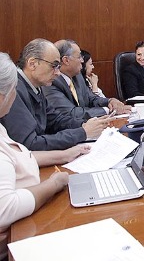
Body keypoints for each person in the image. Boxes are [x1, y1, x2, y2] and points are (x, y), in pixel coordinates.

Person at [0, 52, 92, 261]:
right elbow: (5, 209)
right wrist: (54, 184)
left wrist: (63, 155)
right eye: (14, 88)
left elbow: (20, 156)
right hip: (16, 240)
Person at [0, 39, 111, 151]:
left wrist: (86, 124)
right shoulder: (13, 89)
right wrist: (82, 133)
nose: (58, 73)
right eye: (54, 66)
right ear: (32, 64)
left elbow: (55, 120)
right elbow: (30, 144)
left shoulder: (35, 86)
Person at [43, 40, 129, 124]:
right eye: (79, 57)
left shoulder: (77, 76)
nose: (82, 61)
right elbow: (71, 113)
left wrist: (110, 101)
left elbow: (91, 98)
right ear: (66, 60)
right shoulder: (51, 82)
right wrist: (108, 110)